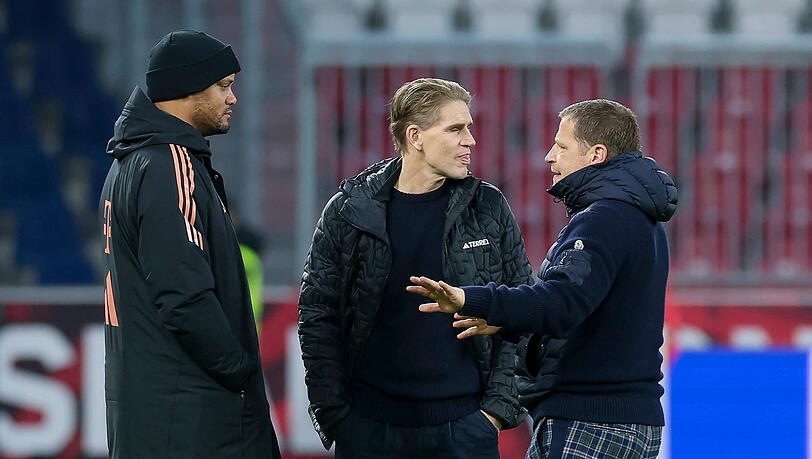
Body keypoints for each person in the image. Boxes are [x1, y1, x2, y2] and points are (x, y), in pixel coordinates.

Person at [409, 99, 677, 459]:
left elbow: (563, 303)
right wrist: (503, 321)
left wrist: (470, 298)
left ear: (596, 154)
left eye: (562, 146)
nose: (550, 156)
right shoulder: (640, 217)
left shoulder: (603, 219)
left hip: (589, 422)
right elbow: (593, 315)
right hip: (624, 421)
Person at [298, 78, 534, 458]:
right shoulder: (349, 211)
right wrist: (336, 414)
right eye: (456, 129)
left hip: (465, 429)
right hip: (368, 429)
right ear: (416, 136)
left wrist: (494, 413)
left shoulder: (488, 206)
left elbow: (523, 307)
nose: (470, 141)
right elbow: (317, 316)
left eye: (469, 128)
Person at [99, 30, 280, 458]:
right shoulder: (168, 163)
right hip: (191, 418)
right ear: (187, 88)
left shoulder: (129, 163)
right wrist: (238, 372)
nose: (232, 98)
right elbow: (183, 296)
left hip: (157, 411)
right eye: (223, 86)